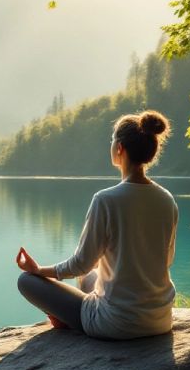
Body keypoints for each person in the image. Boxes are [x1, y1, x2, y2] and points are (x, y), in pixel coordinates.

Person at [15, 110, 178, 340]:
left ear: (119, 148)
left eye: (112, 139)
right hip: (160, 320)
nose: (111, 144)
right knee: (90, 276)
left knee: (27, 281)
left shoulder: (106, 200)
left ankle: (67, 319)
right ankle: (71, 315)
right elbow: (166, 260)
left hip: (115, 324)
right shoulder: (166, 199)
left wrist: (39, 270)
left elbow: (80, 263)